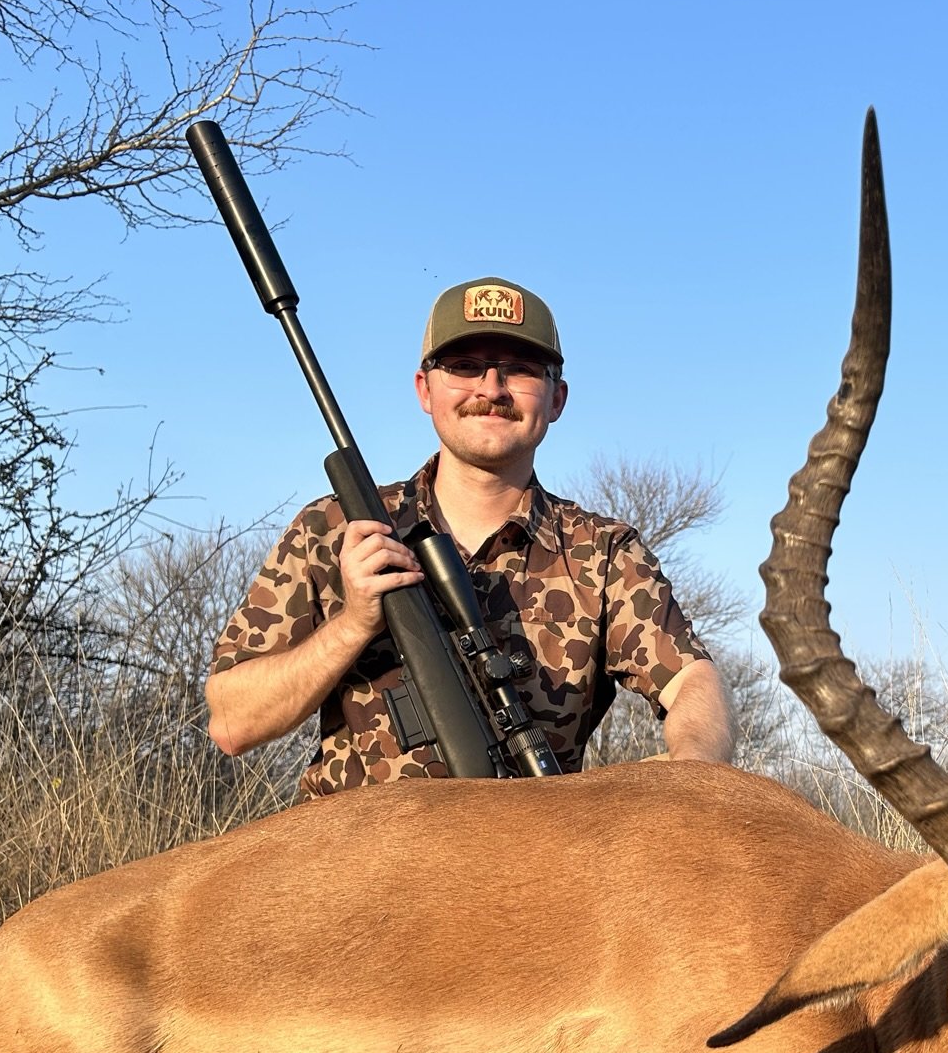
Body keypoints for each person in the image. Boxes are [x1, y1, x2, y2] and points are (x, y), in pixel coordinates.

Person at [206, 276, 734, 794]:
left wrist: (689, 774)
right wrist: (353, 624)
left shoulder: (603, 551)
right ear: (424, 389)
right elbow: (232, 723)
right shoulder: (334, 529)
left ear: (556, 399)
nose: (491, 389)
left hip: (526, 855)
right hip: (352, 864)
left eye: (521, 370)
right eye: (464, 367)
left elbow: (693, 682)